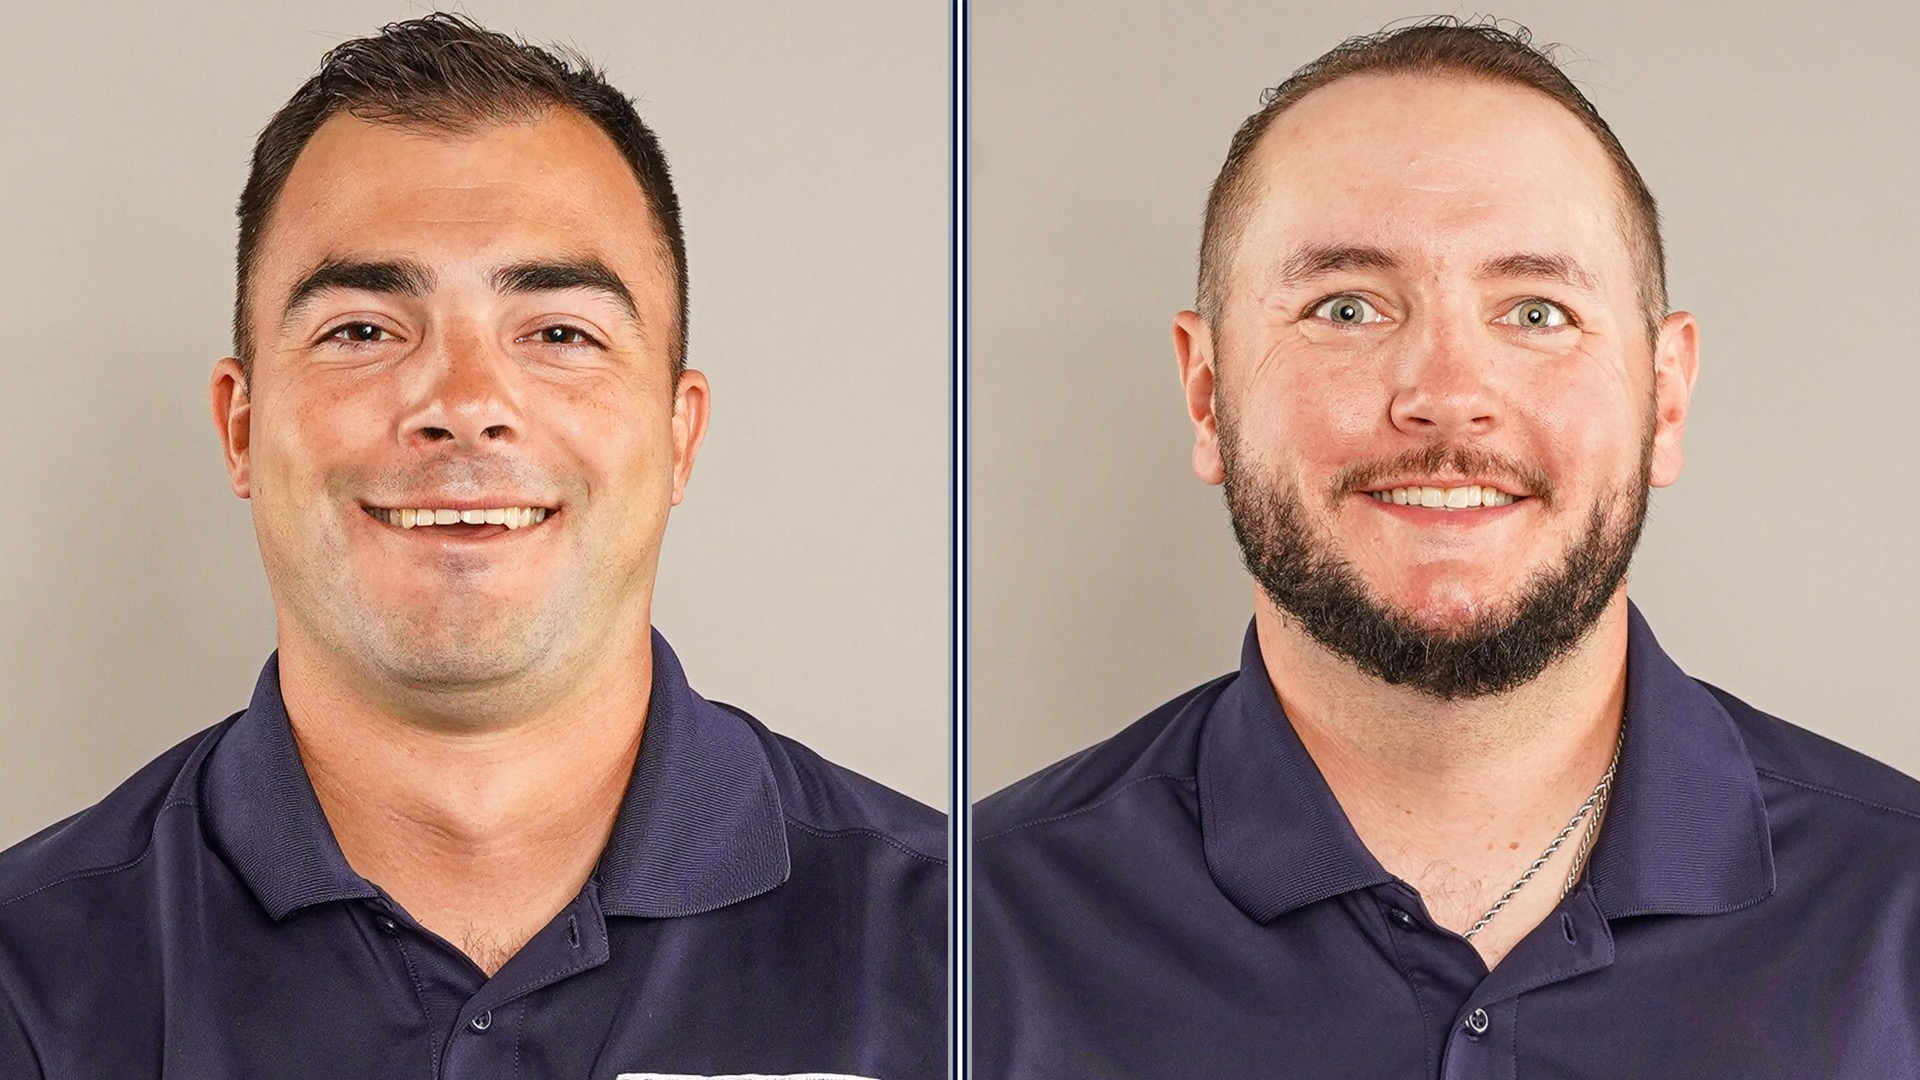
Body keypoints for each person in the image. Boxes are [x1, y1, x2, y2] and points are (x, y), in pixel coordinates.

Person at [974, 19, 1920, 1078]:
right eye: (1347, 307)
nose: (1448, 396)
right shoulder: (974, 938)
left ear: (1665, 398)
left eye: (1536, 311)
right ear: (1206, 393)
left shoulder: (1899, 915)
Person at [0, 15, 942, 1078]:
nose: (462, 404)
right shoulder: (25, 982)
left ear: (679, 436)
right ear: (242, 429)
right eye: (363, 330)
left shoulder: (960, 953)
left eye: (559, 333)